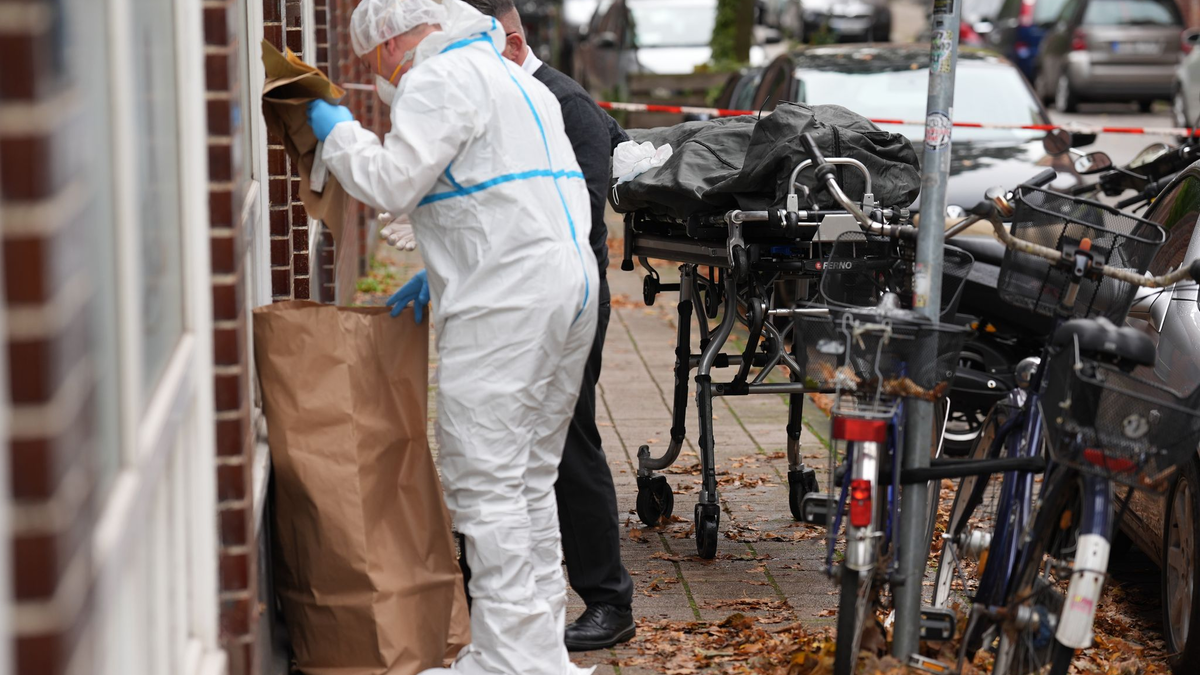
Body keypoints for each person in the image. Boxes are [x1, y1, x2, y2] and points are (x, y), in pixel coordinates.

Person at [305, 1, 599, 673]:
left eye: (374, 57)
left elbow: (392, 181)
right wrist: (440, 278)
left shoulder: (438, 80)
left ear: (398, 37)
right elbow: (504, 196)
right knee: (529, 477)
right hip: (566, 286)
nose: (378, 73)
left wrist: (338, 132)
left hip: (506, 301)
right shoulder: (516, 79)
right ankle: (539, 651)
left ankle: (506, 659)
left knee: (486, 479)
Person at [461, 0, 636, 652]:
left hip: (564, 304)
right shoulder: (500, 101)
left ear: (507, 43)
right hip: (508, 299)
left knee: (567, 442)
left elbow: (577, 217)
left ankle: (609, 598)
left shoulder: (569, 109)